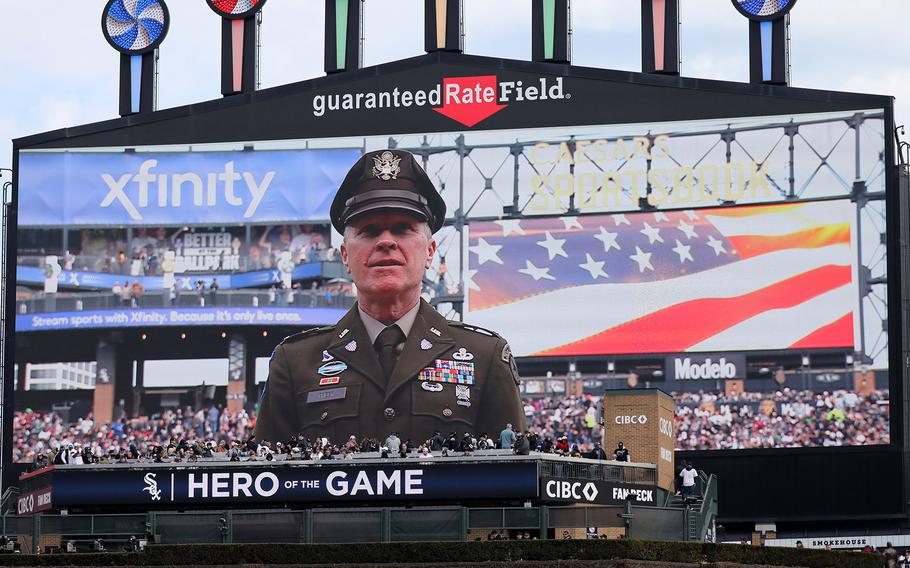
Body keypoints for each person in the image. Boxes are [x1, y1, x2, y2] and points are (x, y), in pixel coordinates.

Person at [253, 149, 526, 443]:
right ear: (345, 255)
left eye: (402, 229)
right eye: (369, 231)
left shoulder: (485, 358)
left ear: (430, 252)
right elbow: (264, 481)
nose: (386, 241)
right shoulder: (295, 363)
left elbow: (518, 474)